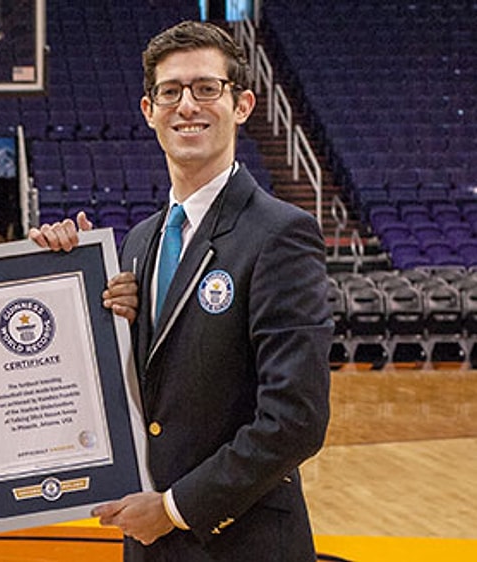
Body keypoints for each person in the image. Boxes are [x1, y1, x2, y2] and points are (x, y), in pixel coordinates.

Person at [30, 20, 331, 561]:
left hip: (241, 541)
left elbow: (296, 421)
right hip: (148, 544)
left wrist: (174, 508)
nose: (187, 105)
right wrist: (61, 283)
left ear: (241, 104)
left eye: (206, 88)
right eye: (170, 92)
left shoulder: (280, 233)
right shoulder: (140, 242)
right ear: (149, 111)